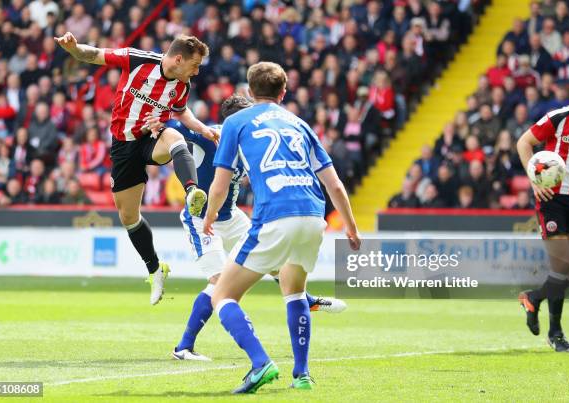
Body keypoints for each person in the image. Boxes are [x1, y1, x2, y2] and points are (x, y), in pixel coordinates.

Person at [146, 95, 347, 362]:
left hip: (231, 216)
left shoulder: (252, 139)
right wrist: (157, 123)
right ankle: (183, 347)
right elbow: (176, 126)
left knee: (279, 264)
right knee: (219, 281)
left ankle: (304, 298)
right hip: (202, 219)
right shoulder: (213, 134)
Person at [202, 62, 360, 393]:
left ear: (248, 91)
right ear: (283, 92)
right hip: (314, 216)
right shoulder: (301, 124)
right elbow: (335, 185)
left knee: (222, 295)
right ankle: (301, 375)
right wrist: (351, 227)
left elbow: (219, 186)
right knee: (295, 290)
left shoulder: (236, 121)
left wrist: (209, 217)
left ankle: (260, 363)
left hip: (275, 214)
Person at [54, 32, 219, 305]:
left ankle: (192, 192)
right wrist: (73, 49)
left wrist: (202, 129)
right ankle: (155, 269)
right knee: (128, 216)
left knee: (175, 138)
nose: (197, 71)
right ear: (178, 59)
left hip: (152, 138)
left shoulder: (181, 85)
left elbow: (181, 111)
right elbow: (93, 54)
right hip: (123, 144)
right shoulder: (137, 59)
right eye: (194, 65)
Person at [516, 71, 569, 353]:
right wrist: (534, 180)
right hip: (552, 197)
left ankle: (534, 297)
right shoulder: (561, 117)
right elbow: (524, 142)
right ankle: (555, 333)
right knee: (562, 263)